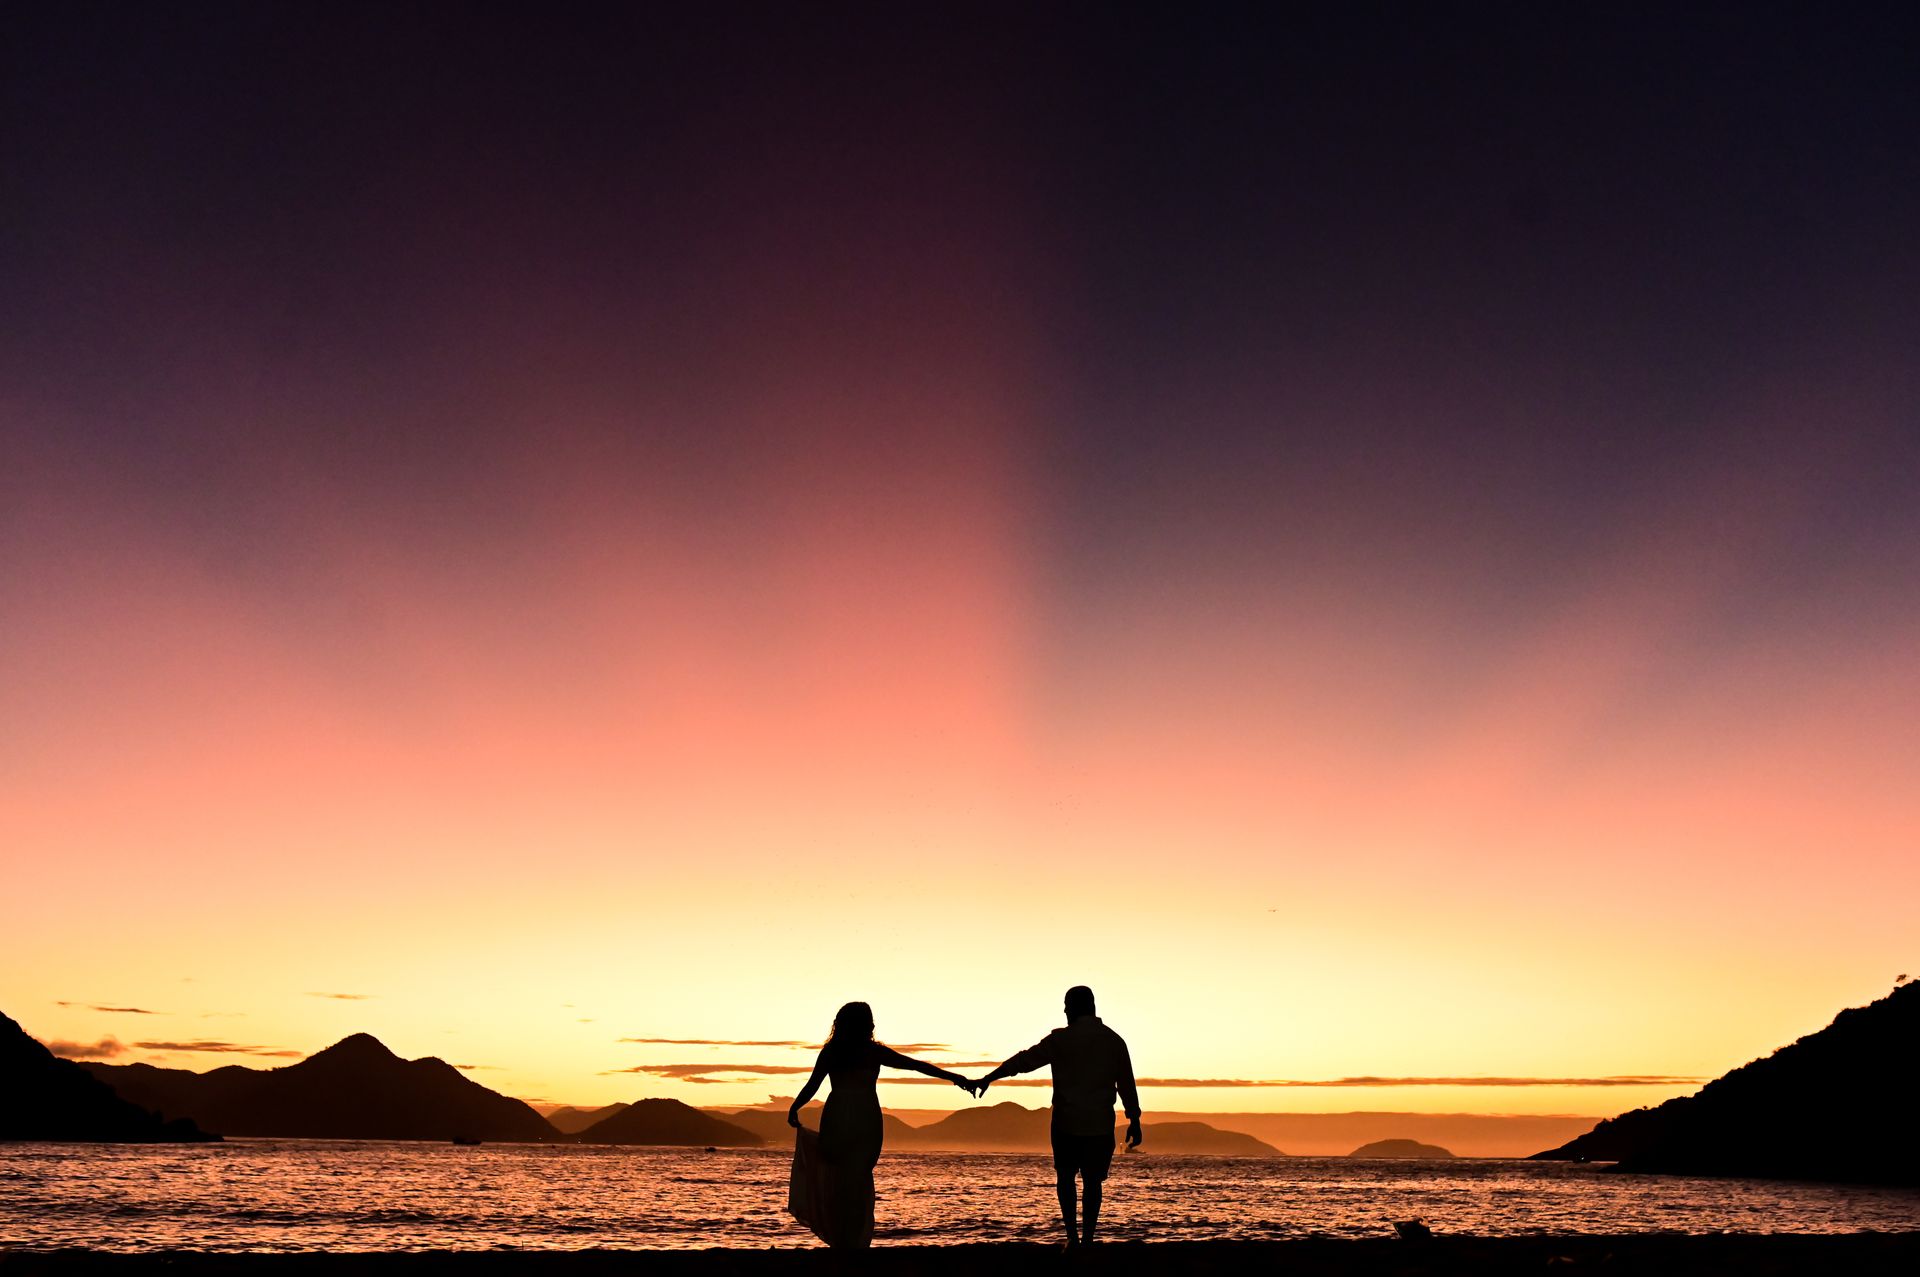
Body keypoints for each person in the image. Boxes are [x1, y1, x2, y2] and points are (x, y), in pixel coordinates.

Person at [786, 1001, 975, 1249]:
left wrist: (794, 1107)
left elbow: (813, 1085)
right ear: (865, 1024)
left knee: (843, 1179)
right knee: (858, 1179)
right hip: (863, 1117)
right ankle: (853, 1239)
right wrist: (955, 1077)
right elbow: (916, 1065)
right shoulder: (868, 1052)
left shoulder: (835, 1051)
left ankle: (845, 1240)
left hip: (842, 1115)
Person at [974, 985, 1141, 1248]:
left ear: (1076, 1007)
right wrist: (1135, 1120)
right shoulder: (1114, 1041)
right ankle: (1087, 1240)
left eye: (1066, 1005)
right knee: (1093, 1183)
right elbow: (1127, 1085)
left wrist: (989, 1078)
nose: (1064, 1010)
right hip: (1099, 1125)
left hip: (1066, 1123)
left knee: (1065, 1179)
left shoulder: (1061, 1040)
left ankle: (1073, 1238)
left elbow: (1023, 1062)